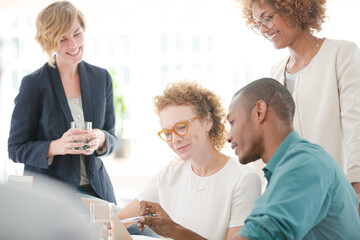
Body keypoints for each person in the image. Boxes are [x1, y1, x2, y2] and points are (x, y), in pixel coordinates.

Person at [138, 78, 360, 239]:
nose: (228, 136)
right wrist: (174, 230)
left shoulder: (303, 166)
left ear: (259, 112)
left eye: (233, 122)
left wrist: (176, 231)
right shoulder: (285, 170)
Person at [237, 0, 360, 210]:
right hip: (294, 201)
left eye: (268, 17)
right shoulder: (276, 73)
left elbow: (355, 124)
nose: (264, 29)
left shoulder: (341, 53)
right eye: (258, 23)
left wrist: (356, 187)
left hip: (338, 194)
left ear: (295, 8)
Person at [117, 81, 261, 239]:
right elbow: (116, 222)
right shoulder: (169, 173)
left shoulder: (244, 180)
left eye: (181, 127)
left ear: (208, 121)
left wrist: (174, 230)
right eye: (167, 133)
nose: (175, 139)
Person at [8, 1, 117, 203]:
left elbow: (112, 137)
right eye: (62, 39)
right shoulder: (34, 84)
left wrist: (100, 138)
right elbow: (15, 148)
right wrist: (57, 146)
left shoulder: (101, 78)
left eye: (77, 34)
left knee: (140, 233)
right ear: (48, 42)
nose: (74, 45)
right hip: (53, 198)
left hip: (98, 191)